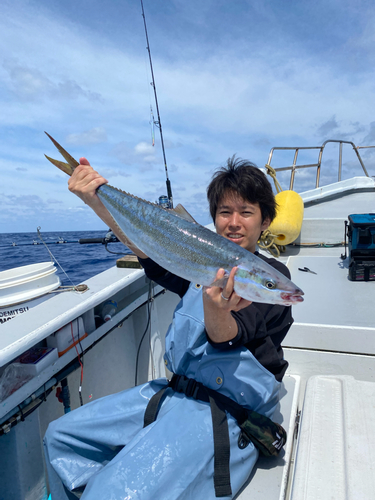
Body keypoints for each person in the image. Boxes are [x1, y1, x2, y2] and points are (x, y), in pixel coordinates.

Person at [44, 156, 294, 500]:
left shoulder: (267, 277)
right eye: (225, 212)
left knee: (113, 493)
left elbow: (227, 338)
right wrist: (95, 199)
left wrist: (214, 307)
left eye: (246, 212)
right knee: (60, 437)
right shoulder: (198, 258)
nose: (234, 223)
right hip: (176, 392)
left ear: (265, 220)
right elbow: (145, 245)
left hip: (227, 409)